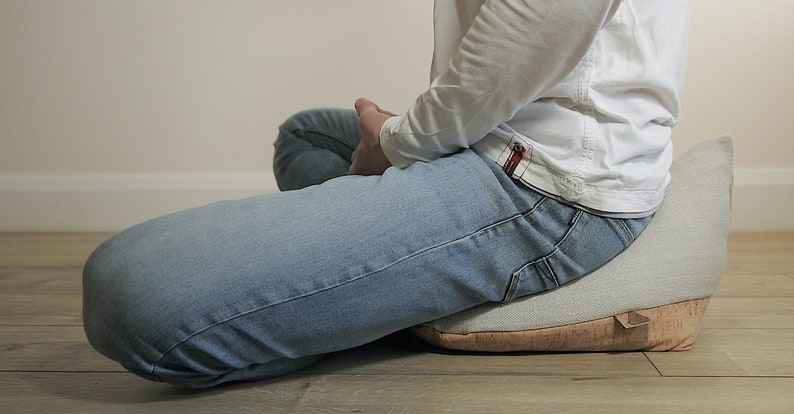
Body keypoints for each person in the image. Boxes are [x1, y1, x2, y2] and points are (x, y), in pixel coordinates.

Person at [83, 0, 690, 388]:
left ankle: (363, 305)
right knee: (308, 135)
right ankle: (364, 288)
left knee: (127, 293)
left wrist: (398, 144)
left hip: (547, 188)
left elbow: (543, 18)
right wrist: (417, 139)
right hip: (492, 137)